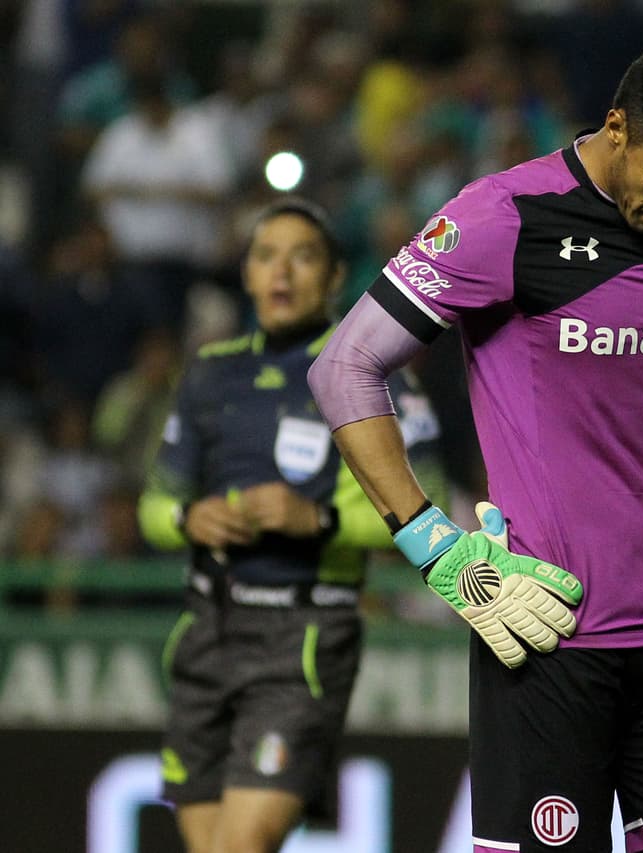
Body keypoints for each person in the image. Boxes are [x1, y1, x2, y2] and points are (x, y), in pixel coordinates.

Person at [308, 38, 643, 853]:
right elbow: (345, 367)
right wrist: (437, 548)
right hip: (550, 632)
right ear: (616, 127)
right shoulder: (503, 216)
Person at [137, 197, 444, 853]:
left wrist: (320, 517)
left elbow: (428, 504)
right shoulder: (211, 370)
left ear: (335, 277)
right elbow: (153, 507)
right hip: (205, 629)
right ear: (245, 274)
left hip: (303, 636)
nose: (283, 273)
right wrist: (190, 517)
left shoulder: (366, 370)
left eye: (303, 257)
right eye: (266, 256)